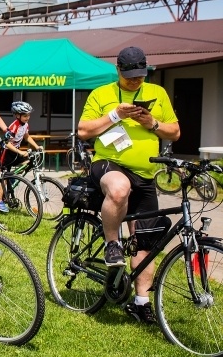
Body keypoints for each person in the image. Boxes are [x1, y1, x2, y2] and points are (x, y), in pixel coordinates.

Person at [77, 46, 180, 324]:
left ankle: (141, 303)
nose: (136, 80)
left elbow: (175, 132)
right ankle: (112, 244)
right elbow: (83, 131)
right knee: (120, 188)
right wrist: (116, 116)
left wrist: (152, 122)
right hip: (108, 163)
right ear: (118, 70)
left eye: (140, 75)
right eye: (130, 75)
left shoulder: (157, 93)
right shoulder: (101, 94)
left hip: (145, 173)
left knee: (144, 241)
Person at [0, 101, 42, 213]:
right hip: (6, 153)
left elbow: (27, 137)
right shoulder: (14, 126)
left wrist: (36, 146)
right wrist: (20, 152)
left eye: (28, 115)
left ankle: (12, 180)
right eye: (25, 116)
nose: (28, 118)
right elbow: (7, 143)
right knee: (4, 177)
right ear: (17, 115)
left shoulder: (25, 125)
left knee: (28, 162)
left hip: (14, 152)